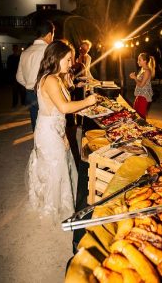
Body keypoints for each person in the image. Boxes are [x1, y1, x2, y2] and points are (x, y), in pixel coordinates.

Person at [25, 40, 97, 222]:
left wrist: (64, 134)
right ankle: (51, 206)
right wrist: (88, 102)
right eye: (67, 59)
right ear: (56, 58)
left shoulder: (56, 77)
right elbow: (64, 107)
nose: (71, 63)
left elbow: (58, 111)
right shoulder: (49, 79)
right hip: (47, 131)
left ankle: (58, 203)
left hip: (55, 128)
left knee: (61, 165)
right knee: (54, 167)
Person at [16, 20, 55, 131]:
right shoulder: (49, 50)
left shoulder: (25, 52)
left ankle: (38, 147)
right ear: (49, 35)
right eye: (53, 35)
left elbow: (19, 77)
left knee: (36, 124)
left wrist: (30, 84)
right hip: (45, 93)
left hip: (30, 94)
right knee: (49, 125)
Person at [129, 52, 156, 119]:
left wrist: (134, 77)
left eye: (139, 60)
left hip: (144, 96)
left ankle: (142, 128)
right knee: (135, 114)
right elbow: (139, 83)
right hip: (140, 95)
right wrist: (135, 77)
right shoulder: (142, 70)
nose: (138, 61)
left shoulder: (147, 71)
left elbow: (141, 85)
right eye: (138, 59)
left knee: (140, 116)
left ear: (145, 61)